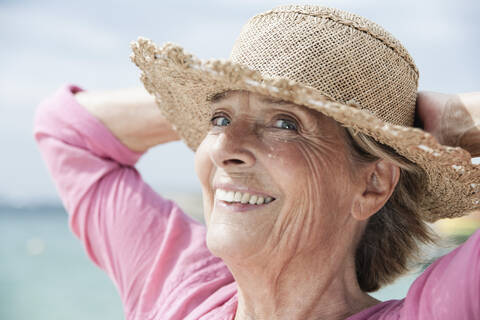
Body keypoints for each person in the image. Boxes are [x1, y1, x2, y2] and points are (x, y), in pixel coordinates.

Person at [34, 5, 480, 320]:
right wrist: (207, 99)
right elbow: (66, 130)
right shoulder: (181, 288)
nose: (227, 147)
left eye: (286, 123)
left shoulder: (443, 309)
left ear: (373, 184)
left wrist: (457, 121)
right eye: (219, 119)